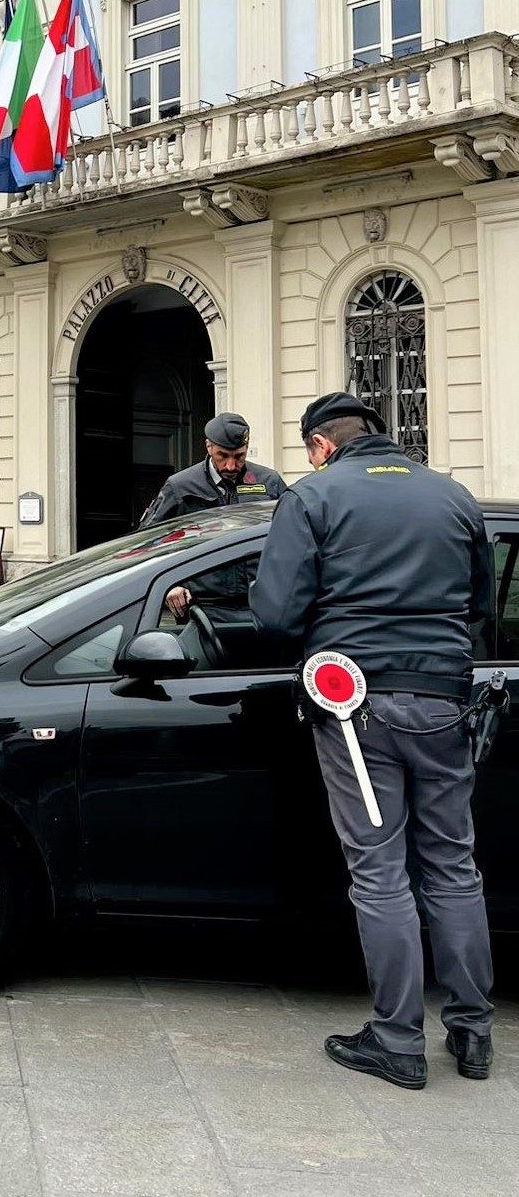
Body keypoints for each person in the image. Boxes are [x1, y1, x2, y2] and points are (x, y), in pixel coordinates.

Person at [250, 391, 495, 1090]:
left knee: (380, 870)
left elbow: (275, 614)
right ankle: (472, 1033)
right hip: (444, 699)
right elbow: (479, 607)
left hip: (354, 705)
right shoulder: (453, 496)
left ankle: (396, 1041)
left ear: (321, 444)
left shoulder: (314, 496)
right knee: (452, 863)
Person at [141, 412, 287, 620]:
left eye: (239, 456)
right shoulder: (181, 486)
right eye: (223, 456)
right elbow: (146, 543)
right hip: (202, 609)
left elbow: (293, 538)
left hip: (261, 606)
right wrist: (170, 586)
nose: (231, 466)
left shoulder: (269, 482)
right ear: (209, 447)